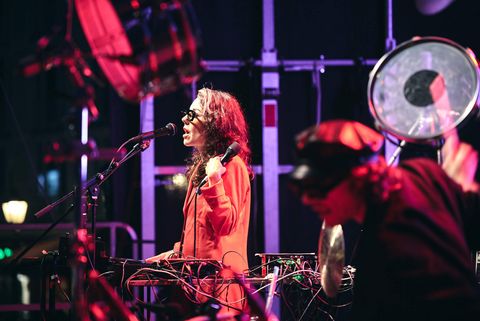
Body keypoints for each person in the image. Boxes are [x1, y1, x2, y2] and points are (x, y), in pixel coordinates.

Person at [289, 119, 480, 321]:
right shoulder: (423, 172)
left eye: (318, 189)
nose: (307, 200)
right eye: (303, 189)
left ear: (358, 177)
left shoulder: (383, 246)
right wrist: (462, 187)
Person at [145, 87, 253, 314]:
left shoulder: (232, 167)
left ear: (215, 122)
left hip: (221, 291)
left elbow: (226, 225)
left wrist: (215, 180)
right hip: (196, 287)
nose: (184, 118)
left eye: (193, 115)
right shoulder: (201, 169)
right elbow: (201, 233)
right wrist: (176, 255)